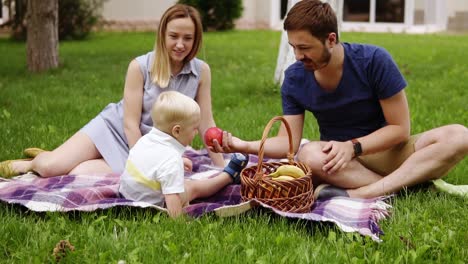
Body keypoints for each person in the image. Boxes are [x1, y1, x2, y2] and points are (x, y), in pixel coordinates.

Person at [210, 0, 468, 199]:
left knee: (459, 136)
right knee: (309, 154)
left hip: (386, 151)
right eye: (293, 47)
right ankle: (409, 182)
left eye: (305, 47)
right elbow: (288, 143)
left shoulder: (374, 61)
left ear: (330, 39)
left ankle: (366, 193)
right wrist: (241, 145)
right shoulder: (295, 78)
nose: (298, 56)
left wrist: (353, 146)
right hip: (341, 163)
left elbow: (400, 130)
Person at [0, 4, 226, 178]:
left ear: (196, 40)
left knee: (78, 174)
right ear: (162, 35)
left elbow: (206, 122)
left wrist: (220, 167)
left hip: (155, 147)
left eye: (188, 38)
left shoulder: (201, 72)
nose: (180, 44)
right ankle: (34, 162)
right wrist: (144, 163)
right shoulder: (140, 67)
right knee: (50, 169)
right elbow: (129, 123)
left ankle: (64, 157)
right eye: (174, 36)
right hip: (116, 130)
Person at [119, 91, 248, 218]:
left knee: (176, 180)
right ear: (177, 131)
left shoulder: (145, 140)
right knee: (192, 187)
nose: (197, 132)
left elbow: (152, 162)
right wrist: (179, 223)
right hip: (148, 203)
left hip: (128, 194)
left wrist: (179, 162)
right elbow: (172, 197)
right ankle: (228, 176)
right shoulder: (171, 160)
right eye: (194, 128)